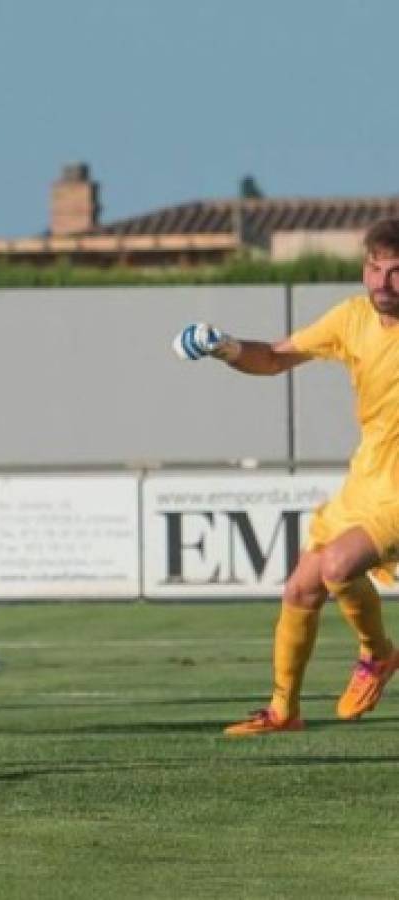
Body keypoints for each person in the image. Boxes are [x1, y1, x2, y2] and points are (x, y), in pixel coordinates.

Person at [173, 218, 399, 735]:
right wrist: (225, 346)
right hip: (366, 481)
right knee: (301, 589)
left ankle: (378, 654)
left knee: (340, 565)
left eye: (396, 272)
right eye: (374, 269)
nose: (383, 283)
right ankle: (284, 711)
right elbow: (273, 358)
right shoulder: (351, 318)